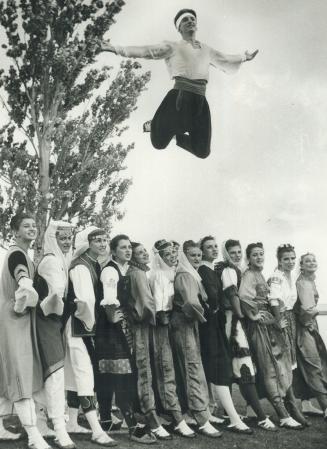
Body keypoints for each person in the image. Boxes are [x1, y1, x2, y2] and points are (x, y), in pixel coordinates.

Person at [100, 8, 258, 159]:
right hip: (180, 97)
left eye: (192, 19)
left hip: (200, 101)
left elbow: (225, 59)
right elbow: (145, 51)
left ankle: (174, 134)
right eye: (185, 20)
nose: (190, 21)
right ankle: (156, 124)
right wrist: (115, 48)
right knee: (159, 143)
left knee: (202, 151)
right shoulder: (172, 47)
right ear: (179, 28)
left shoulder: (207, 50)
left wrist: (244, 57)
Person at [96, 234, 156, 444]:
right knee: (121, 375)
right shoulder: (111, 270)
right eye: (123, 248)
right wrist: (114, 316)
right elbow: (109, 298)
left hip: (118, 329)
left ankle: (105, 419)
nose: (128, 251)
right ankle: (132, 426)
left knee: (113, 375)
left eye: (130, 247)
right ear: (113, 251)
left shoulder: (122, 269)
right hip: (111, 330)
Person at [240, 243, 304, 429]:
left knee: (276, 365)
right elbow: (243, 296)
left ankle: (285, 408)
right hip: (258, 327)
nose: (259, 257)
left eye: (261, 254)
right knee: (268, 368)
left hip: (266, 325)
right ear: (249, 258)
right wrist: (253, 315)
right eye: (255, 255)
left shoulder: (259, 274)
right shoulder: (249, 275)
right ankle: (283, 414)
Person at [0, 213, 49, 449]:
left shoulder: (21, 253)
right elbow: (24, 284)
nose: (32, 229)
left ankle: (2, 428)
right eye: (26, 226)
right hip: (14, 320)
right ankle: (33, 435)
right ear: (15, 231)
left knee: (7, 373)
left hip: (13, 320)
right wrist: (21, 307)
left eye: (34, 226)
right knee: (21, 375)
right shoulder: (18, 254)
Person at [63, 227, 116, 447]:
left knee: (76, 375)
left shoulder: (91, 264)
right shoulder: (82, 267)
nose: (103, 244)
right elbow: (85, 301)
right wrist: (91, 327)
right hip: (78, 325)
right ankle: (96, 430)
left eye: (105, 240)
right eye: (98, 241)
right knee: (84, 373)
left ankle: (73, 422)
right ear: (88, 243)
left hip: (82, 324)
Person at [215, 240, 276, 431]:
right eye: (232, 252)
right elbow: (234, 296)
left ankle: (230, 412)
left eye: (239, 252)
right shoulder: (228, 271)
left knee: (238, 366)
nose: (236, 255)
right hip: (232, 321)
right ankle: (260, 416)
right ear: (226, 254)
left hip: (236, 321)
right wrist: (245, 315)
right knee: (244, 366)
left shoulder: (237, 270)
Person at [198, 236, 253, 435]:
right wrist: (214, 308)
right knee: (220, 370)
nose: (213, 249)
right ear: (202, 251)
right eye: (208, 247)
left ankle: (211, 411)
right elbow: (211, 298)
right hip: (209, 327)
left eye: (215, 246)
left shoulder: (212, 270)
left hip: (217, 325)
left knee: (216, 370)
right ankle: (234, 418)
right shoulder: (202, 270)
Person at [170, 240, 221, 438]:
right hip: (184, 322)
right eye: (193, 255)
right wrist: (202, 315)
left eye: (199, 255)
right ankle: (201, 418)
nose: (197, 258)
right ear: (185, 256)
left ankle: (194, 412)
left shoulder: (191, 273)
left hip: (188, 323)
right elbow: (190, 302)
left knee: (191, 367)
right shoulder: (185, 274)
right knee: (192, 368)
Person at [34, 221, 75, 449]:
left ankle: (43, 423)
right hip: (47, 320)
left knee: (50, 374)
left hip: (53, 321)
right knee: (55, 373)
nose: (67, 241)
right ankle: (60, 429)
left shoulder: (61, 259)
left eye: (69, 238)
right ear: (53, 239)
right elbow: (57, 293)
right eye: (62, 238)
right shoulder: (51, 260)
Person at [126, 242, 172, 440]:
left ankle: (148, 414)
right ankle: (151, 419)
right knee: (144, 370)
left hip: (142, 325)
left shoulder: (138, 272)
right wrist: (155, 319)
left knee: (144, 370)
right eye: (139, 253)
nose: (144, 254)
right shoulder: (136, 273)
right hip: (142, 326)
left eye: (145, 251)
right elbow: (146, 303)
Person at [149, 239, 195, 438]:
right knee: (165, 367)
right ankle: (175, 416)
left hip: (174, 322)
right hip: (163, 323)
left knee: (175, 368)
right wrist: (165, 322)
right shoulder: (158, 274)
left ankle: (174, 411)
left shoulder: (174, 273)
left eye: (174, 253)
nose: (172, 257)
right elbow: (160, 305)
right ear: (160, 257)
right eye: (167, 255)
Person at [268, 244, 314, 421]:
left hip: (290, 319)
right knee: (283, 363)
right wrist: (279, 321)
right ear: (279, 260)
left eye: (293, 258)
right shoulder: (276, 277)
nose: (290, 262)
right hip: (281, 320)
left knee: (290, 362)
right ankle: (289, 408)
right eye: (286, 259)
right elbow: (274, 301)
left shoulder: (290, 276)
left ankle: (292, 405)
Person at [295, 253, 327, 419]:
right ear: (301, 265)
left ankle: (306, 404)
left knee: (306, 364)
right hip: (304, 328)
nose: (311, 262)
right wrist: (309, 323)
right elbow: (307, 310)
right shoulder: (303, 282)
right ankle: (326, 406)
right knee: (313, 364)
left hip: (309, 326)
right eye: (307, 261)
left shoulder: (310, 280)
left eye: (314, 259)